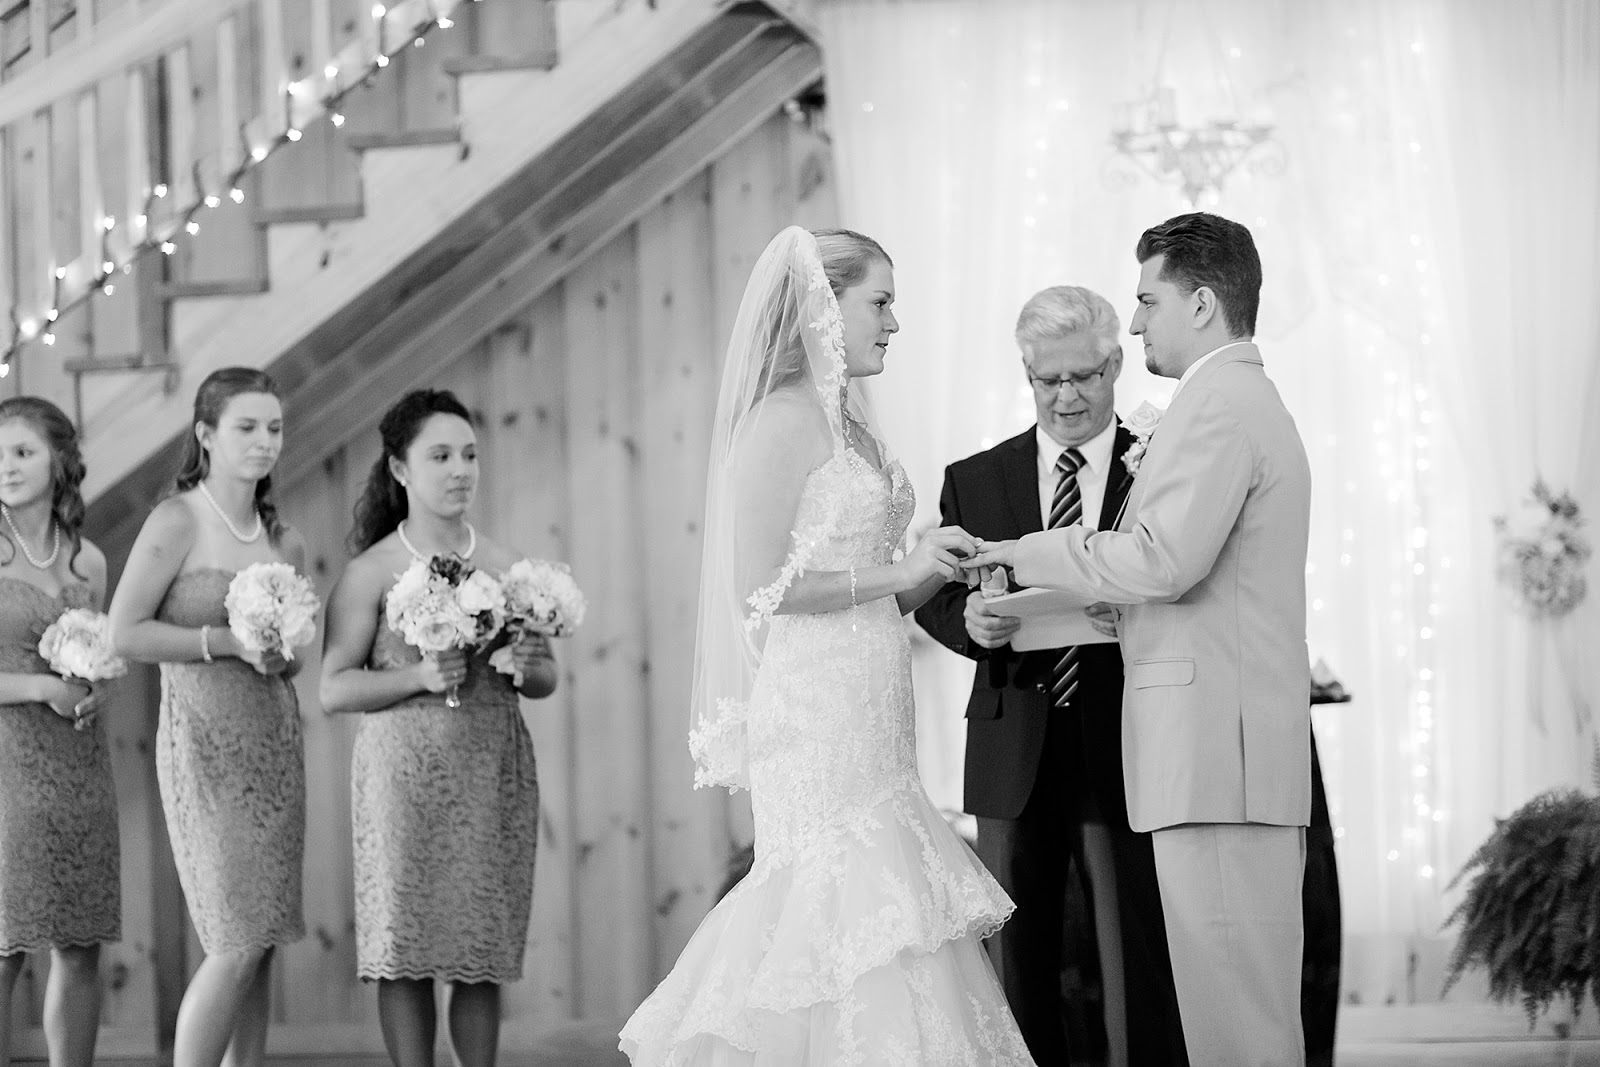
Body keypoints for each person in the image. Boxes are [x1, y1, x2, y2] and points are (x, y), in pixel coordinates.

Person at [619, 226, 1033, 1063]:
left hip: (877, 700)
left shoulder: (852, 420)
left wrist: (935, 563)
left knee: (891, 900)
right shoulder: (779, 420)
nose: (894, 322)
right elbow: (762, 588)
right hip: (814, 710)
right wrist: (899, 570)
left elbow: (886, 589)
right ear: (824, 306)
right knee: (832, 887)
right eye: (880, 302)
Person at [966, 212, 1313, 1067]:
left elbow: (1163, 559)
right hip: (1221, 758)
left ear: (1201, 303)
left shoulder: (1217, 404)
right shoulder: (1236, 397)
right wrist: (1114, 613)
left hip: (1216, 762)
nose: (1135, 321)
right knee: (1236, 1014)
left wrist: (1028, 551)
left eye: (1148, 300)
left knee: (1236, 1025)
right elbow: (1199, 578)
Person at [914, 286, 1187, 1066]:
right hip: (1013, 748)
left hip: (1128, 739)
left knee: (1137, 957)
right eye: (1047, 380)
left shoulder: (1163, 463)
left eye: (1083, 377)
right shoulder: (976, 476)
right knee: (1017, 971)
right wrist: (969, 622)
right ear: (1027, 374)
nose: (1066, 397)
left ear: (1116, 365)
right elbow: (936, 593)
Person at [319, 388, 556, 1067]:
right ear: (400, 468)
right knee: (406, 950)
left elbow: (545, 679)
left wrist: (529, 665)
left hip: (490, 768)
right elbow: (334, 687)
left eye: (470, 455)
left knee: (481, 948)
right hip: (402, 779)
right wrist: (417, 677)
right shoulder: (371, 572)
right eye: (441, 456)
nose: (460, 470)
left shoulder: (508, 566)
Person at [110, 368, 309, 1067]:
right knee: (235, 938)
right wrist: (223, 641)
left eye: (273, 428)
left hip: (274, 746)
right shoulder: (177, 520)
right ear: (206, 434)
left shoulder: (285, 540)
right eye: (245, 427)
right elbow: (124, 633)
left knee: (262, 937)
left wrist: (279, 652)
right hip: (203, 748)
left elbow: (294, 662)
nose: (263, 441)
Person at [0, 397, 119, 1067]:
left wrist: (96, 689)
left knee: (79, 945)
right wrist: (42, 688)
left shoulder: (87, 562)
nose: (7, 466)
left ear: (59, 461)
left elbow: (100, 653)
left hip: (79, 764)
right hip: (6, 767)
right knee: (4, 947)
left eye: (22, 451)